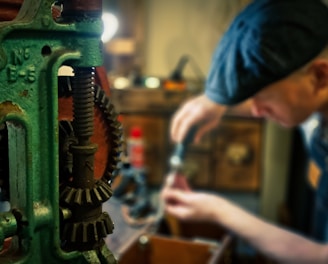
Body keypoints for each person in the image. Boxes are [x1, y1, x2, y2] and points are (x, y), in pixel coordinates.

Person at [161, 0, 328, 263]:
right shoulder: (314, 95)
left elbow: (322, 257)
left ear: (319, 77)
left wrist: (217, 211)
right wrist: (216, 103)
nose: (256, 111)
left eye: (262, 99)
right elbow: (287, 99)